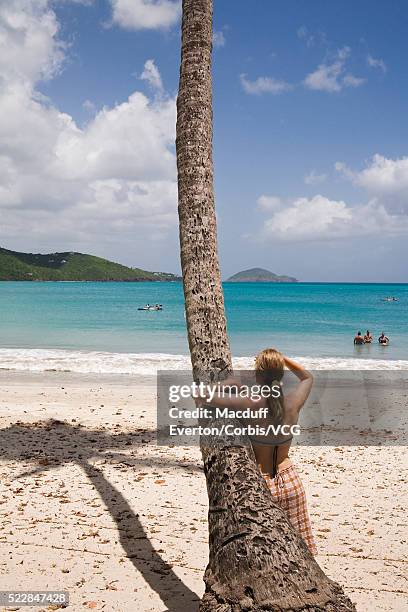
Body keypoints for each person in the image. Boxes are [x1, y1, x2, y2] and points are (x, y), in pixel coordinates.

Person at [195, 348, 317, 555]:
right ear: (280, 374)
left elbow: (199, 395)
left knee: (266, 553)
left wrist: (228, 384)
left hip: (261, 484)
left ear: (257, 375)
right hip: (290, 481)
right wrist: (281, 358)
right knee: (300, 553)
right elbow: (307, 377)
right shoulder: (293, 403)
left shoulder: (247, 403)